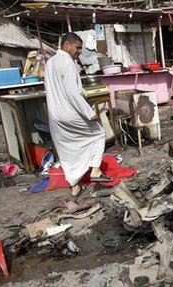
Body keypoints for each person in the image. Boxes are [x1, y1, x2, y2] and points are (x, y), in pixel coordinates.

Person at [44, 32, 111, 196]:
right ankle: (95, 170)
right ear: (67, 45)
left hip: (55, 115)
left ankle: (74, 185)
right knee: (98, 133)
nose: (79, 51)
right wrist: (89, 112)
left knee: (67, 150)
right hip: (69, 113)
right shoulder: (66, 61)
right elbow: (72, 93)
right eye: (77, 47)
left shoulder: (50, 62)